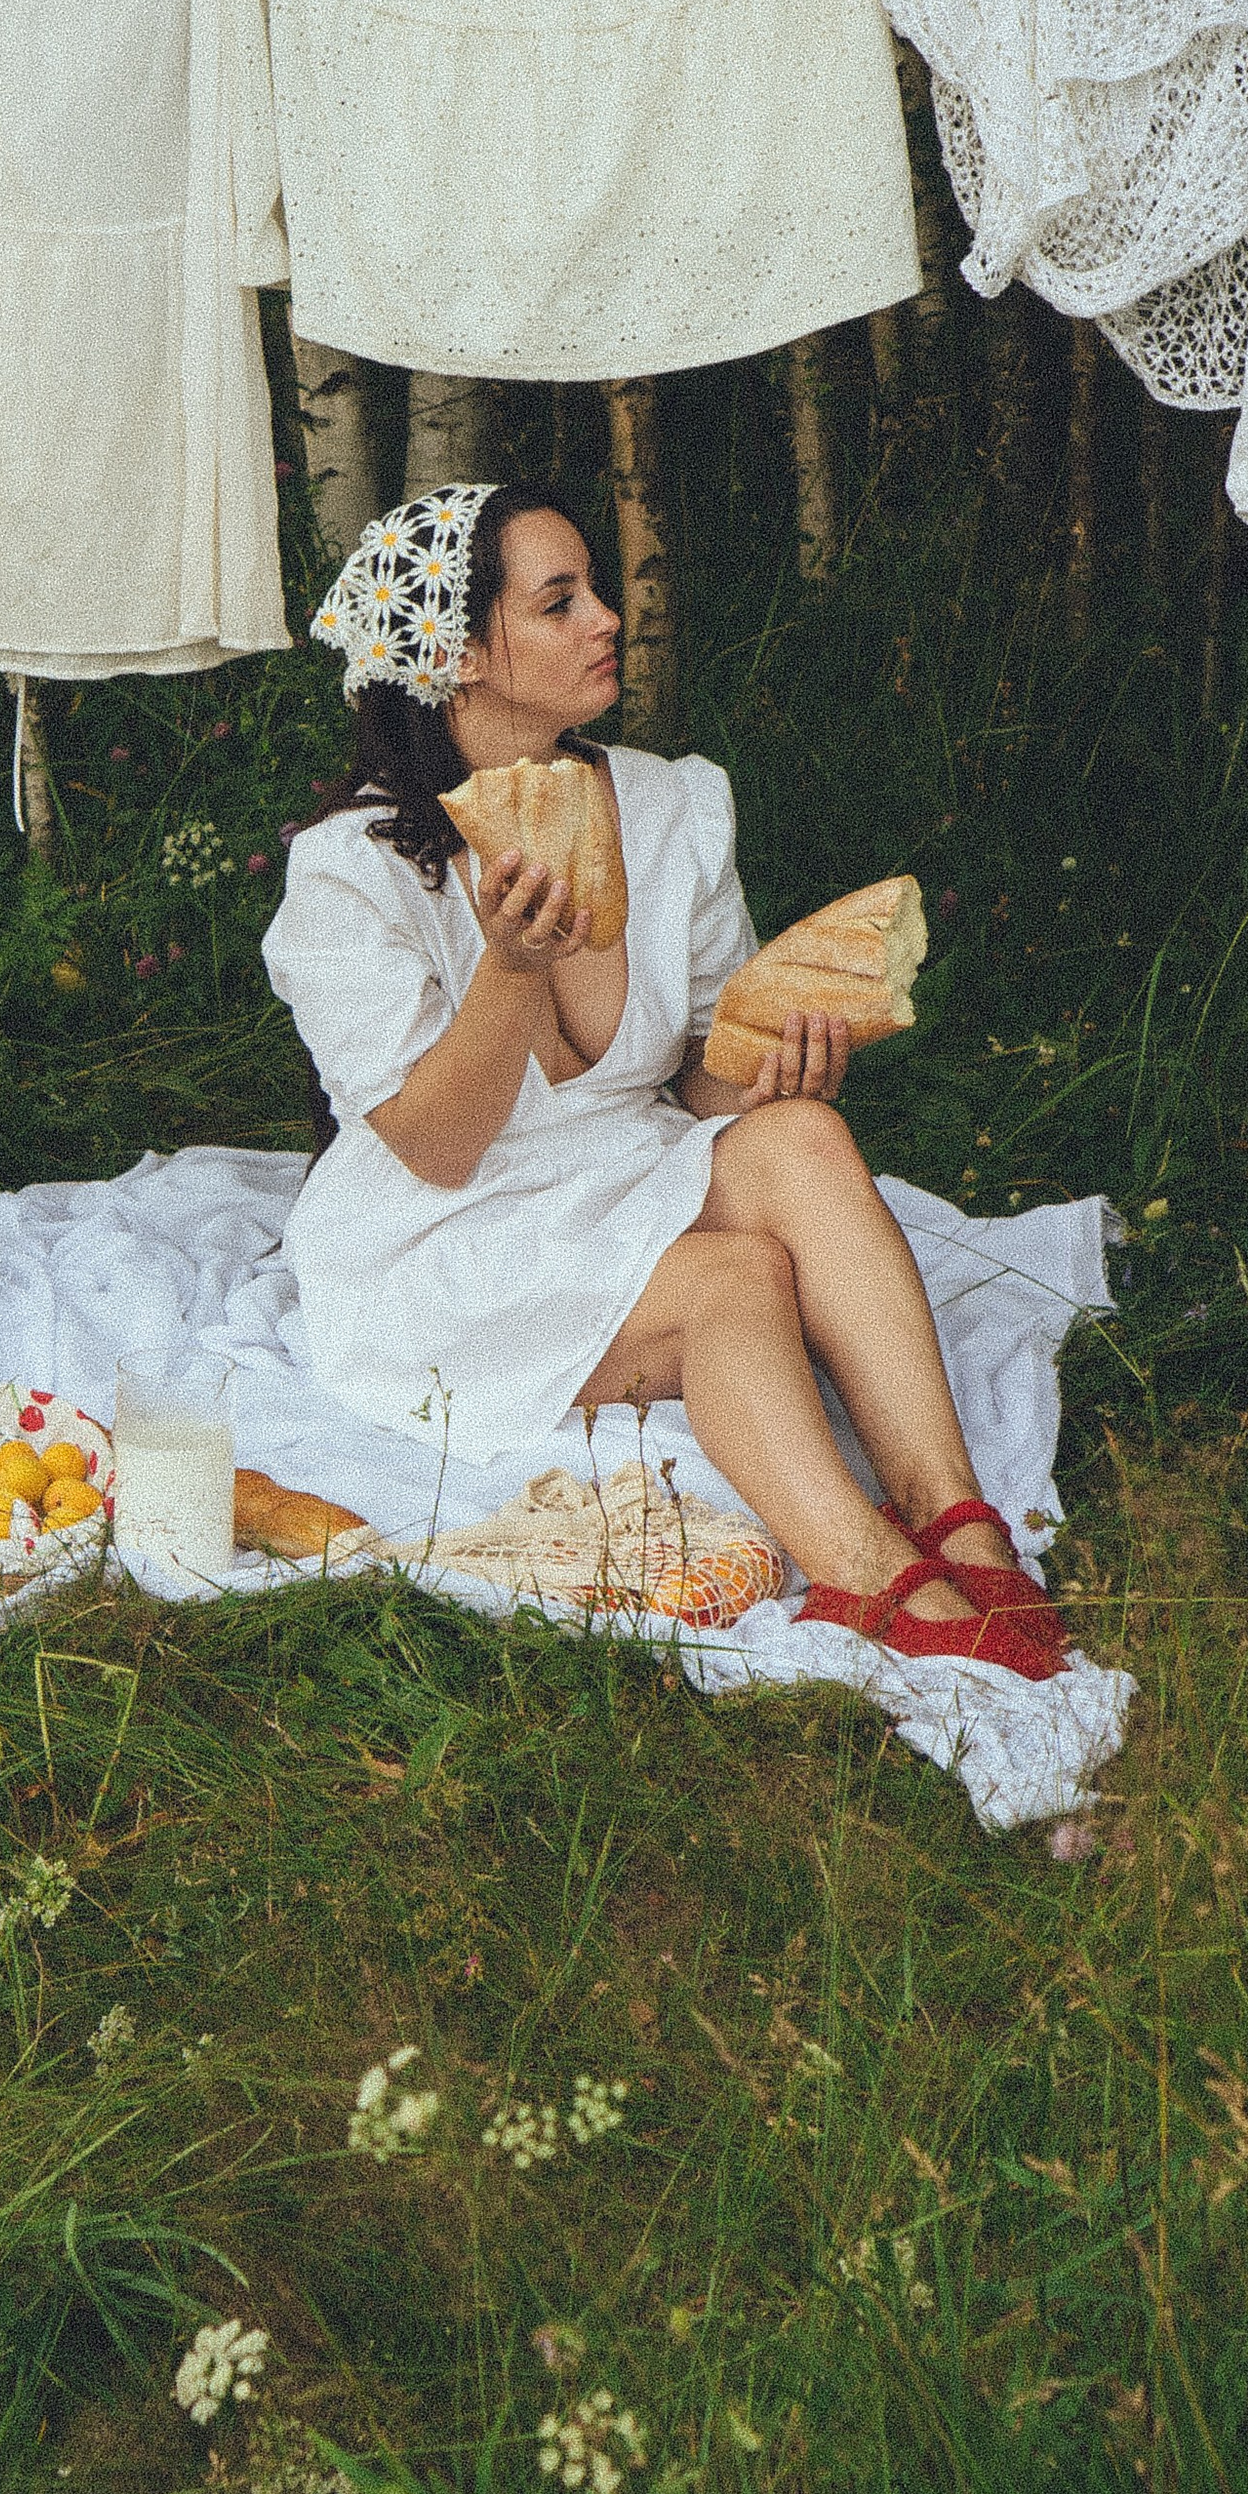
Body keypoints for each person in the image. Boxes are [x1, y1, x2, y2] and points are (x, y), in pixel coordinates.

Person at [262, 481, 1071, 1675]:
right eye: (558, 603)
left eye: (593, 591)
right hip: (446, 1233)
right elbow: (433, 1147)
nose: (605, 620)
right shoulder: (348, 876)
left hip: (619, 1167)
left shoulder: (665, 802)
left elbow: (686, 1079)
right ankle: (872, 1581)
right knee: (732, 1282)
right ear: (460, 656)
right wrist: (511, 967)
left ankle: (956, 1516)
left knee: (802, 1137)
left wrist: (759, 1078)